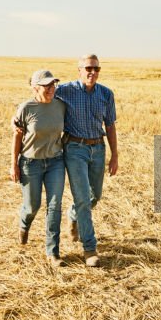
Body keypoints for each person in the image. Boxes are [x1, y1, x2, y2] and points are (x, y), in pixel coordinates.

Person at [55, 54, 118, 267]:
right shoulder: (64, 90)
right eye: (88, 68)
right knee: (82, 198)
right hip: (74, 148)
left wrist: (114, 155)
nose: (92, 72)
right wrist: (18, 120)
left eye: (96, 69)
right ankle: (89, 248)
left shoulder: (106, 94)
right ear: (79, 70)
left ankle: (73, 216)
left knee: (94, 196)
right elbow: (40, 98)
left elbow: (110, 125)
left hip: (98, 149)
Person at [10, 69, 68, 268]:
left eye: (53, 85)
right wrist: (13, 165)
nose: (51, 89)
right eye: (46, 85)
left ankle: (53, 252)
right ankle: (24, 224)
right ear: (35, 88)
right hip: (30, 163)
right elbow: (17, 136)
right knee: (32, 206)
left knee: (54, 206)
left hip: (55, 162)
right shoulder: (26, 107)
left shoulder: (60, 105)